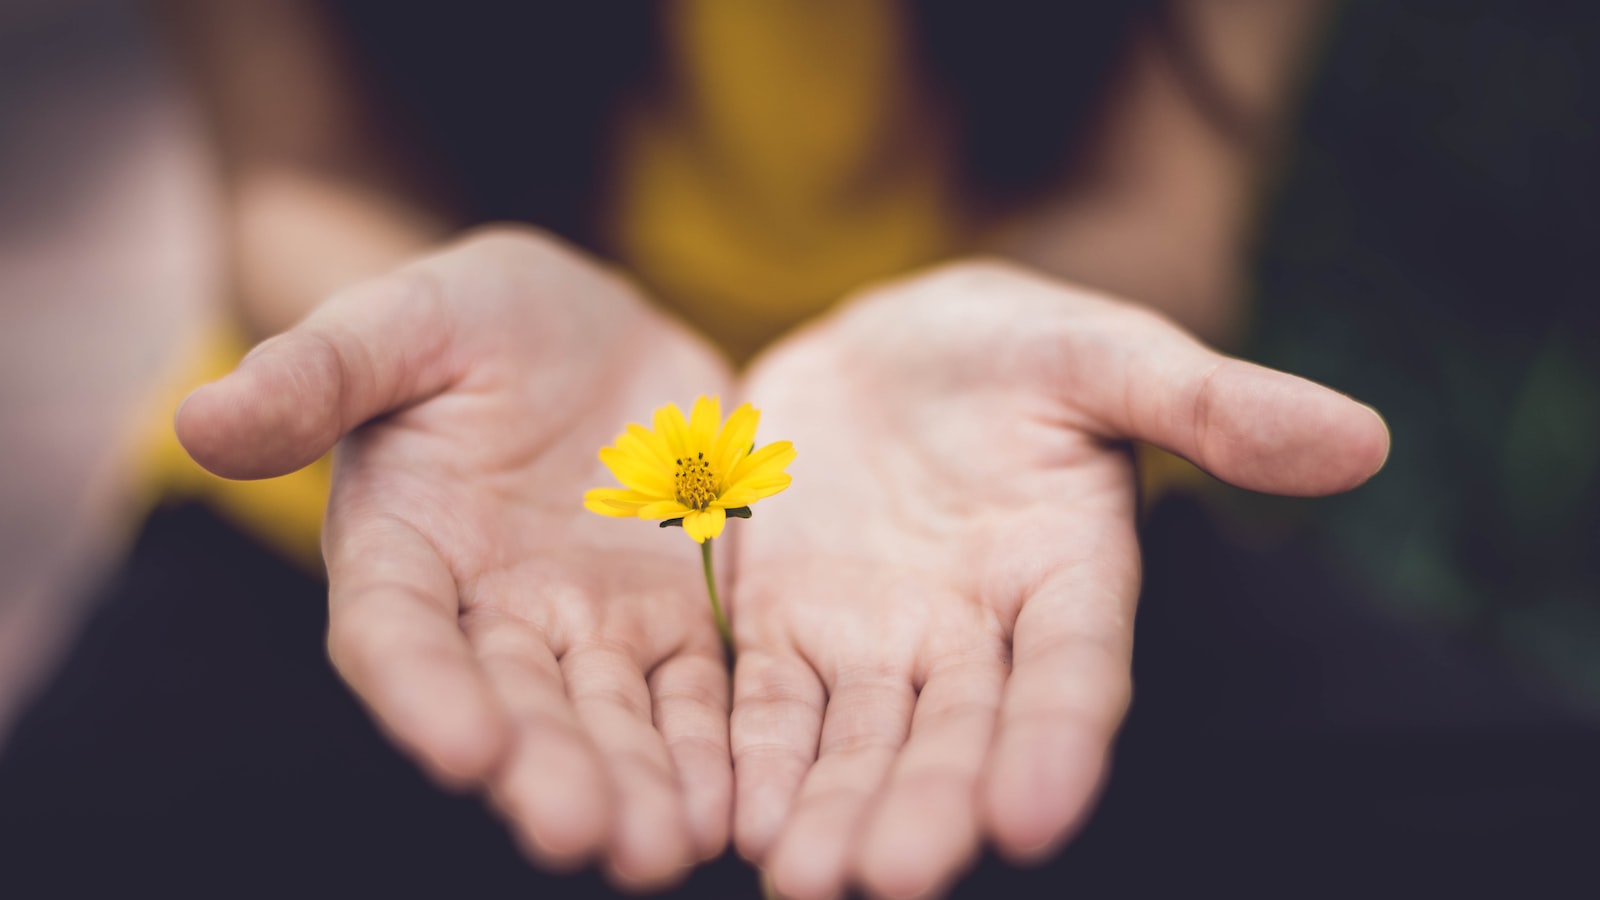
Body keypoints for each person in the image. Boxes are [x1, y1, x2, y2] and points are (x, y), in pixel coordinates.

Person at [3, 2, 1594, 898]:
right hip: (424, 498)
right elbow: (299, 169)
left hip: (987, 514)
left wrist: (1029, 325)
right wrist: (397, 335)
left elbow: (1162, 203)